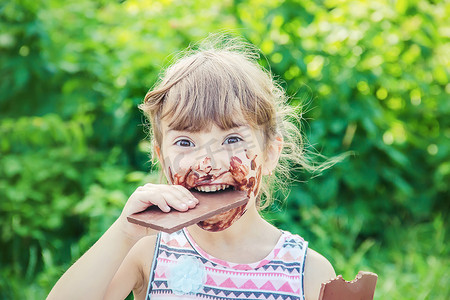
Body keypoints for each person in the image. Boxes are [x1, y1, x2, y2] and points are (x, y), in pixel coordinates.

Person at [48, 35, 336, 300]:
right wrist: (125, 232)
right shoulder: (148, 252)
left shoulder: (307, 272)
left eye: (232, 139)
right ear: (161, 157)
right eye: (185, 142)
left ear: (270, 153)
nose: (207, 164)